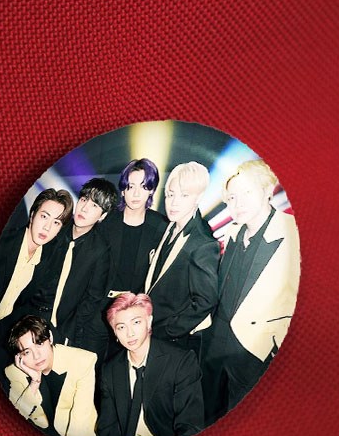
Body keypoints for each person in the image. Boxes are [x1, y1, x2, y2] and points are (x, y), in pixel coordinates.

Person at [201, 159, 301, 418]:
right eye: (232, 197)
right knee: (210, 417)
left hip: (254, 353)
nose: (238, 203)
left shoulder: (294, 234)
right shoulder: (233, 232)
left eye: (246, 192)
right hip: (216, 345)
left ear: (267, 190)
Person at [143, 161, 221, 398]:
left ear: (198, 198)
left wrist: (168, 330)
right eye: (170, 194)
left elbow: (206, 301)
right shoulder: (171, 226)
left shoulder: (202, 242)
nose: (174, 202)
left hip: (176, 341)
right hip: (155, 333)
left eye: (184, 195)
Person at [0, 188, 74, 381]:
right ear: (32, 215)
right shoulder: (2, 245)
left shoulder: (46, 259)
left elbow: (30, 305)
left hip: (2, 336)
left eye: (56, 222)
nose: (47, 227)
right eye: (44, 216)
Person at [96, 292, 204, 436]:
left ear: (149, 322)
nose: (130, 333)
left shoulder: (181, 361)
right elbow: (108, 428)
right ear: (114, 332)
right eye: (121, 327)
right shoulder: (110, 369)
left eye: (136, 322)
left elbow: (190, 426)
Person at [22, 177, 116, 358]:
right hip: (28, 311)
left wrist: (66, 333)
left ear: (102, 216)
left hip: (62, 326)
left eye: (94, 205)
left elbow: (92, 299)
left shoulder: (101, 250)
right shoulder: (56, 228)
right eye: (84, 200)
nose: (85, 208)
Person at [5, 315, 98, 436]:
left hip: (75, 435)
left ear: (50, 338)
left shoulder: (82, 361)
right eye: (27, 352)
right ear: (19, 357)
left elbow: (79, 420)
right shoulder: (14, 372)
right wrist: (34, 382)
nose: (37, 356)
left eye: (39, 344)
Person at [102, 158, 168, 296]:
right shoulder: (106, 221)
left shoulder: (161, 226)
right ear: (123, 191)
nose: (136, 194)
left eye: (143, 187)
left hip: (137, 304)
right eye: (131, 187)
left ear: (152, 190)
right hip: (102, 302)